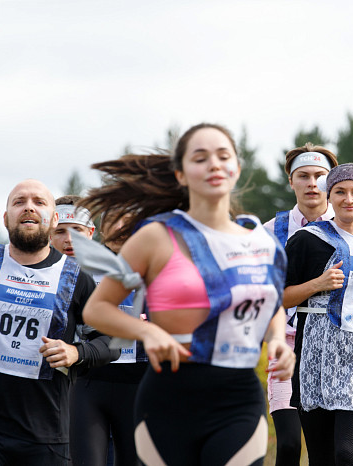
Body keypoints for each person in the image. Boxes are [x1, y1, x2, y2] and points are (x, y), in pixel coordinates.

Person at [77, 123, 295, 466]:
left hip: (237, 397)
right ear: (181, 173)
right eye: (200, 157)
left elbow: (271, 304)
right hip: (168, 398)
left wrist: (278, 339)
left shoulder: (260, 242)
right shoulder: (156, 237)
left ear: (236, 169)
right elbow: (97, 309)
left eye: (224, 156)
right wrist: (147, 331)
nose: (214, 164)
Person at [0, 179, 114, 465]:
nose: (29, 207)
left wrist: (77, 352)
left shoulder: (76, 279)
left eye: (39, 202)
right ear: (6, 218)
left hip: (48, 435)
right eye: (19, 202)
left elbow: (112, 339)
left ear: (53, 219)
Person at [284, 162, 353, 465]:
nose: (349, 199)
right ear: (329, 197)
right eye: (340, 192)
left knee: (347, 455)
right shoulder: (306, 239)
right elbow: (279, 298)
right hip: (316, 363)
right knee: (322, 458)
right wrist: (317, 284)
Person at [263, 142, 338, 466]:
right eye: (303, 176)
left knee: (332, 450)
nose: (311, 183)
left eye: (319, 176)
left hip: (335, 347)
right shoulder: (270, 232)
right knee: (290, 444)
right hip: (288, 344)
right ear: (291, 181)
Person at [67, 208, 145, 466]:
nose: (121, 224)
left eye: (128, 217)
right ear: (101, 229)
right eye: (113, 217)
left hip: (140, 382)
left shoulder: (154, 264)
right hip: (90, 381)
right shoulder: (81, 267)